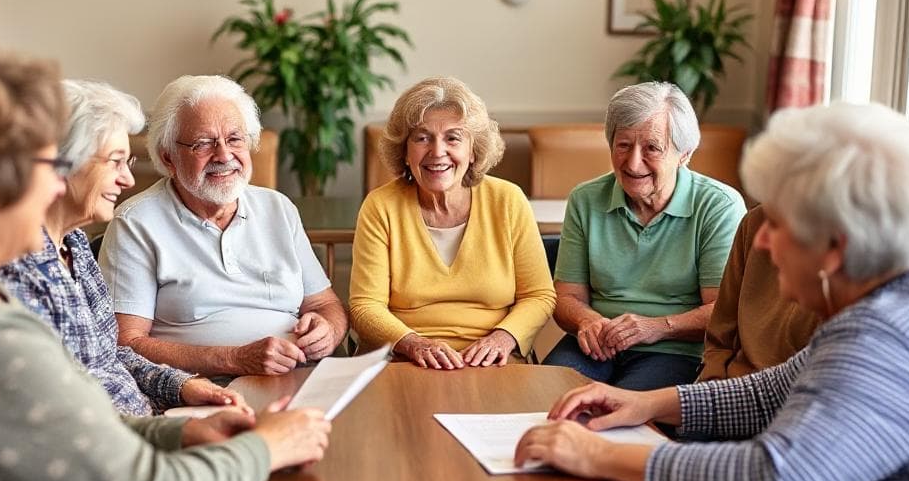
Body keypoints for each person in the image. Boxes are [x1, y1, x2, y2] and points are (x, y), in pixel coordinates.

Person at [0, 33, 331, 481]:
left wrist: (181, 432)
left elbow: (62, 420)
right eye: (47, 164)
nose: (54, 187)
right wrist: (268, 447)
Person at [515, 102, 909, 481]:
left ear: (835, 246)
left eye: (780, 223)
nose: (763, 239)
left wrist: (595, 455)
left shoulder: (887, 339)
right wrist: (646, 403)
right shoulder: (886, 308)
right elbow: (771, 391)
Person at [0, 80, 244, 416]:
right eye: (115, 162)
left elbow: (107, 354)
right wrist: (173, 435)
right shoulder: (15, 268)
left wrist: (182, 386)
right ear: (62, 163)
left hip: (148, 424)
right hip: (116, 447)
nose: (127, 180)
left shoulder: (74, 244)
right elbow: (60, 408)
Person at [99, 75, 347, 378]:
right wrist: (234, 359)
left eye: (234, 139)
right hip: (202, 390)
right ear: (169, 157)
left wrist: (329, 331)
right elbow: (124, 344)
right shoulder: (135, 223)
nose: (224, 155)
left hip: (300, 378)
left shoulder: (278, 208)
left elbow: (324, 303)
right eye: (203, 144)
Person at [543, 81, 745, 390]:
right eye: (623, 145)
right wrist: (587, 321)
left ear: (684, 155)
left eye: (652, 148)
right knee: (542, 400)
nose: (633, 163)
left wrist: (656, 328)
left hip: (677, 350)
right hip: (596, 345)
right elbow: (567, 297)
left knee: (621, 416)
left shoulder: (718, 206)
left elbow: (723, 312)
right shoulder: (585, 199)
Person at [350, 76, 556, 369]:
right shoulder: (381, 206)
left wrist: (503, 338)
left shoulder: (508, 200)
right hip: (403, 359)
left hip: (493, 359)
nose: (437, 152)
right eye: (422, 138)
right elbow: (364, 307)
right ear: (405, 153)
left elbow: (538, 295)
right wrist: (414, 344)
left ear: (473, 151)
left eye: (453, 138)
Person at [697, 205, 821, 381]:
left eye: (775, 225)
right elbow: (719, 337)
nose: (760, 240)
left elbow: (784, 388)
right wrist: (709, 382)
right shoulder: (754, 221)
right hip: (731, 384)